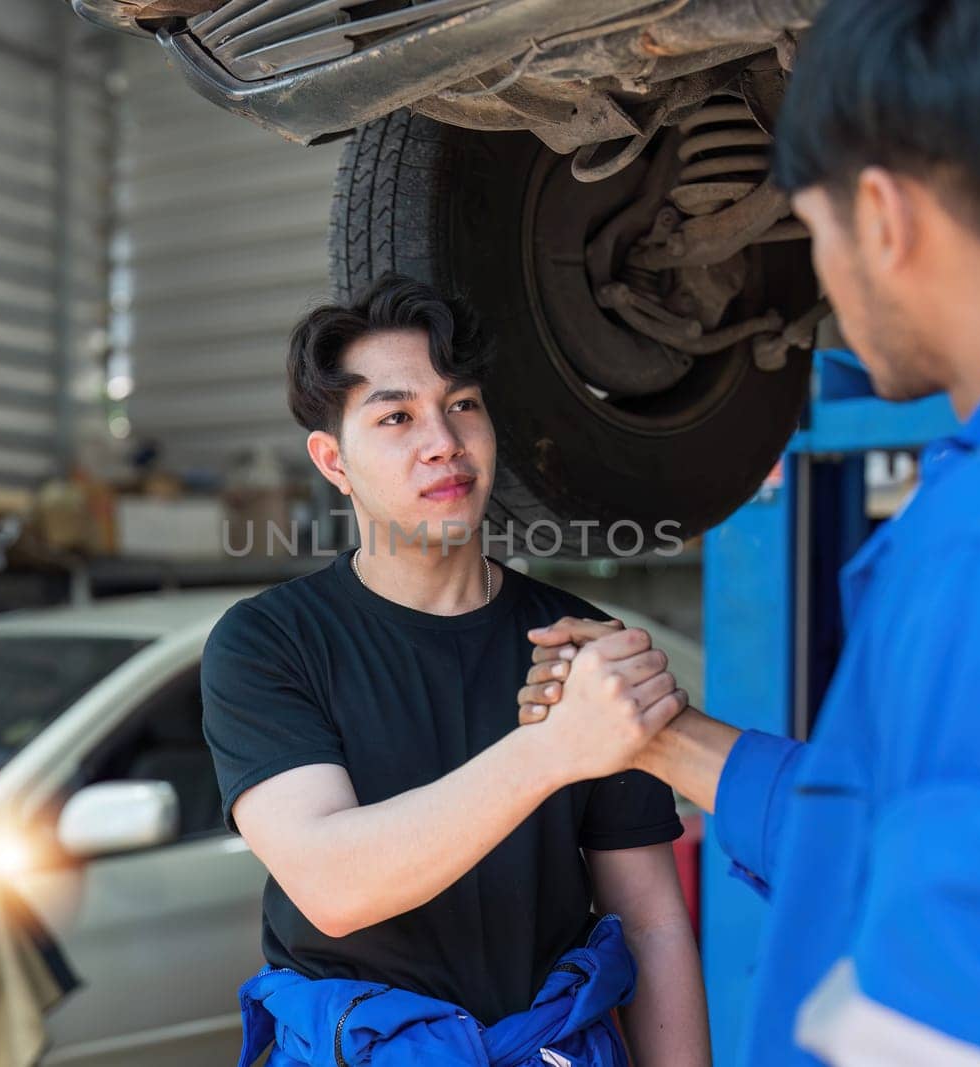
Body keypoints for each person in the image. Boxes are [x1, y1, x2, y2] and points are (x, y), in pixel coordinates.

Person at [517, 0, 980, 1063]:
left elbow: (967, 1019)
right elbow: (907, 838)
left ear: (884, 215)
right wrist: (661, 736)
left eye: (813, 235)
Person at [199, 274, 711, 1066]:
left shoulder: (578, 642)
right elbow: (335, 885)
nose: (443, 439)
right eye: (397, 415)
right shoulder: (270, 643)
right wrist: (555, 747)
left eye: (463, 403)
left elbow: (648, 918)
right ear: (333, 460)